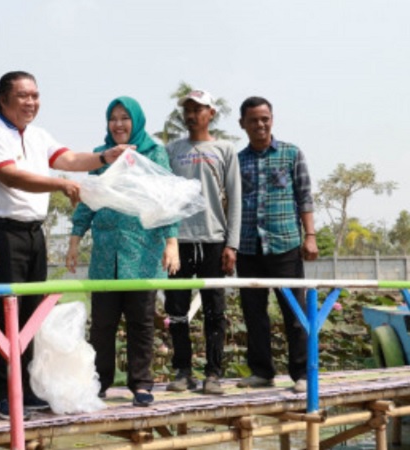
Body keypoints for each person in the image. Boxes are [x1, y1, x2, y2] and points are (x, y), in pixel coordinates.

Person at [0, 71, 125, 417]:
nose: (31, 102)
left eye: (36, 96)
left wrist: (105, 157)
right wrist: (59, 185)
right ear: (2, 99)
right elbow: (9, 175)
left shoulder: (39, 136)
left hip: (33, 234)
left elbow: (69, 159)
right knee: (4, 312)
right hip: (1, 232)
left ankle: (24, 390)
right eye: (23, 96)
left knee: (30, 316)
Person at [66, 96, 179, 407]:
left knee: (141, 321)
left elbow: (166, 200)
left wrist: (172, 242)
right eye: (113, 118)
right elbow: (88, 198)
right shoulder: (101, 157)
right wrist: (75, 238)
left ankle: (141, 384)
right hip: (105, 253)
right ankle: (98, 382)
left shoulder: (154, 153)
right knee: (102, 322)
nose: (118, 124)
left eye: (124, 118)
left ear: (136, 121)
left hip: (140, 252)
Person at [236, 96, 317, 393]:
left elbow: (304, 197)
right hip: (247, 247)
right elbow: (230, 203)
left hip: (284, 244)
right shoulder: (237, 160)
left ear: (272, 119)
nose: (260, 124)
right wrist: (229, 246)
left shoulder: (291, 154)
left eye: (265, 118)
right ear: (242, 124)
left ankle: (302, 373)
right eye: (254, 119)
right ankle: (262, 372)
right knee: (253, 313)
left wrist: (310, 236)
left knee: (294, 312)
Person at [163, 89, 242, 395]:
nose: (192, 115)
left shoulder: (225, 149)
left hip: (213, 241)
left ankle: (214, 373)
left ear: (211, 114)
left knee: (215, 311)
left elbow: (235, 199)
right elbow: (165, 196)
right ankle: (183, 371)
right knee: (177, 310)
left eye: (199, 109)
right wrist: (165, 241)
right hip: (179, 241)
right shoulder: (172, 150)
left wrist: (231, 244)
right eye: (188, 110)